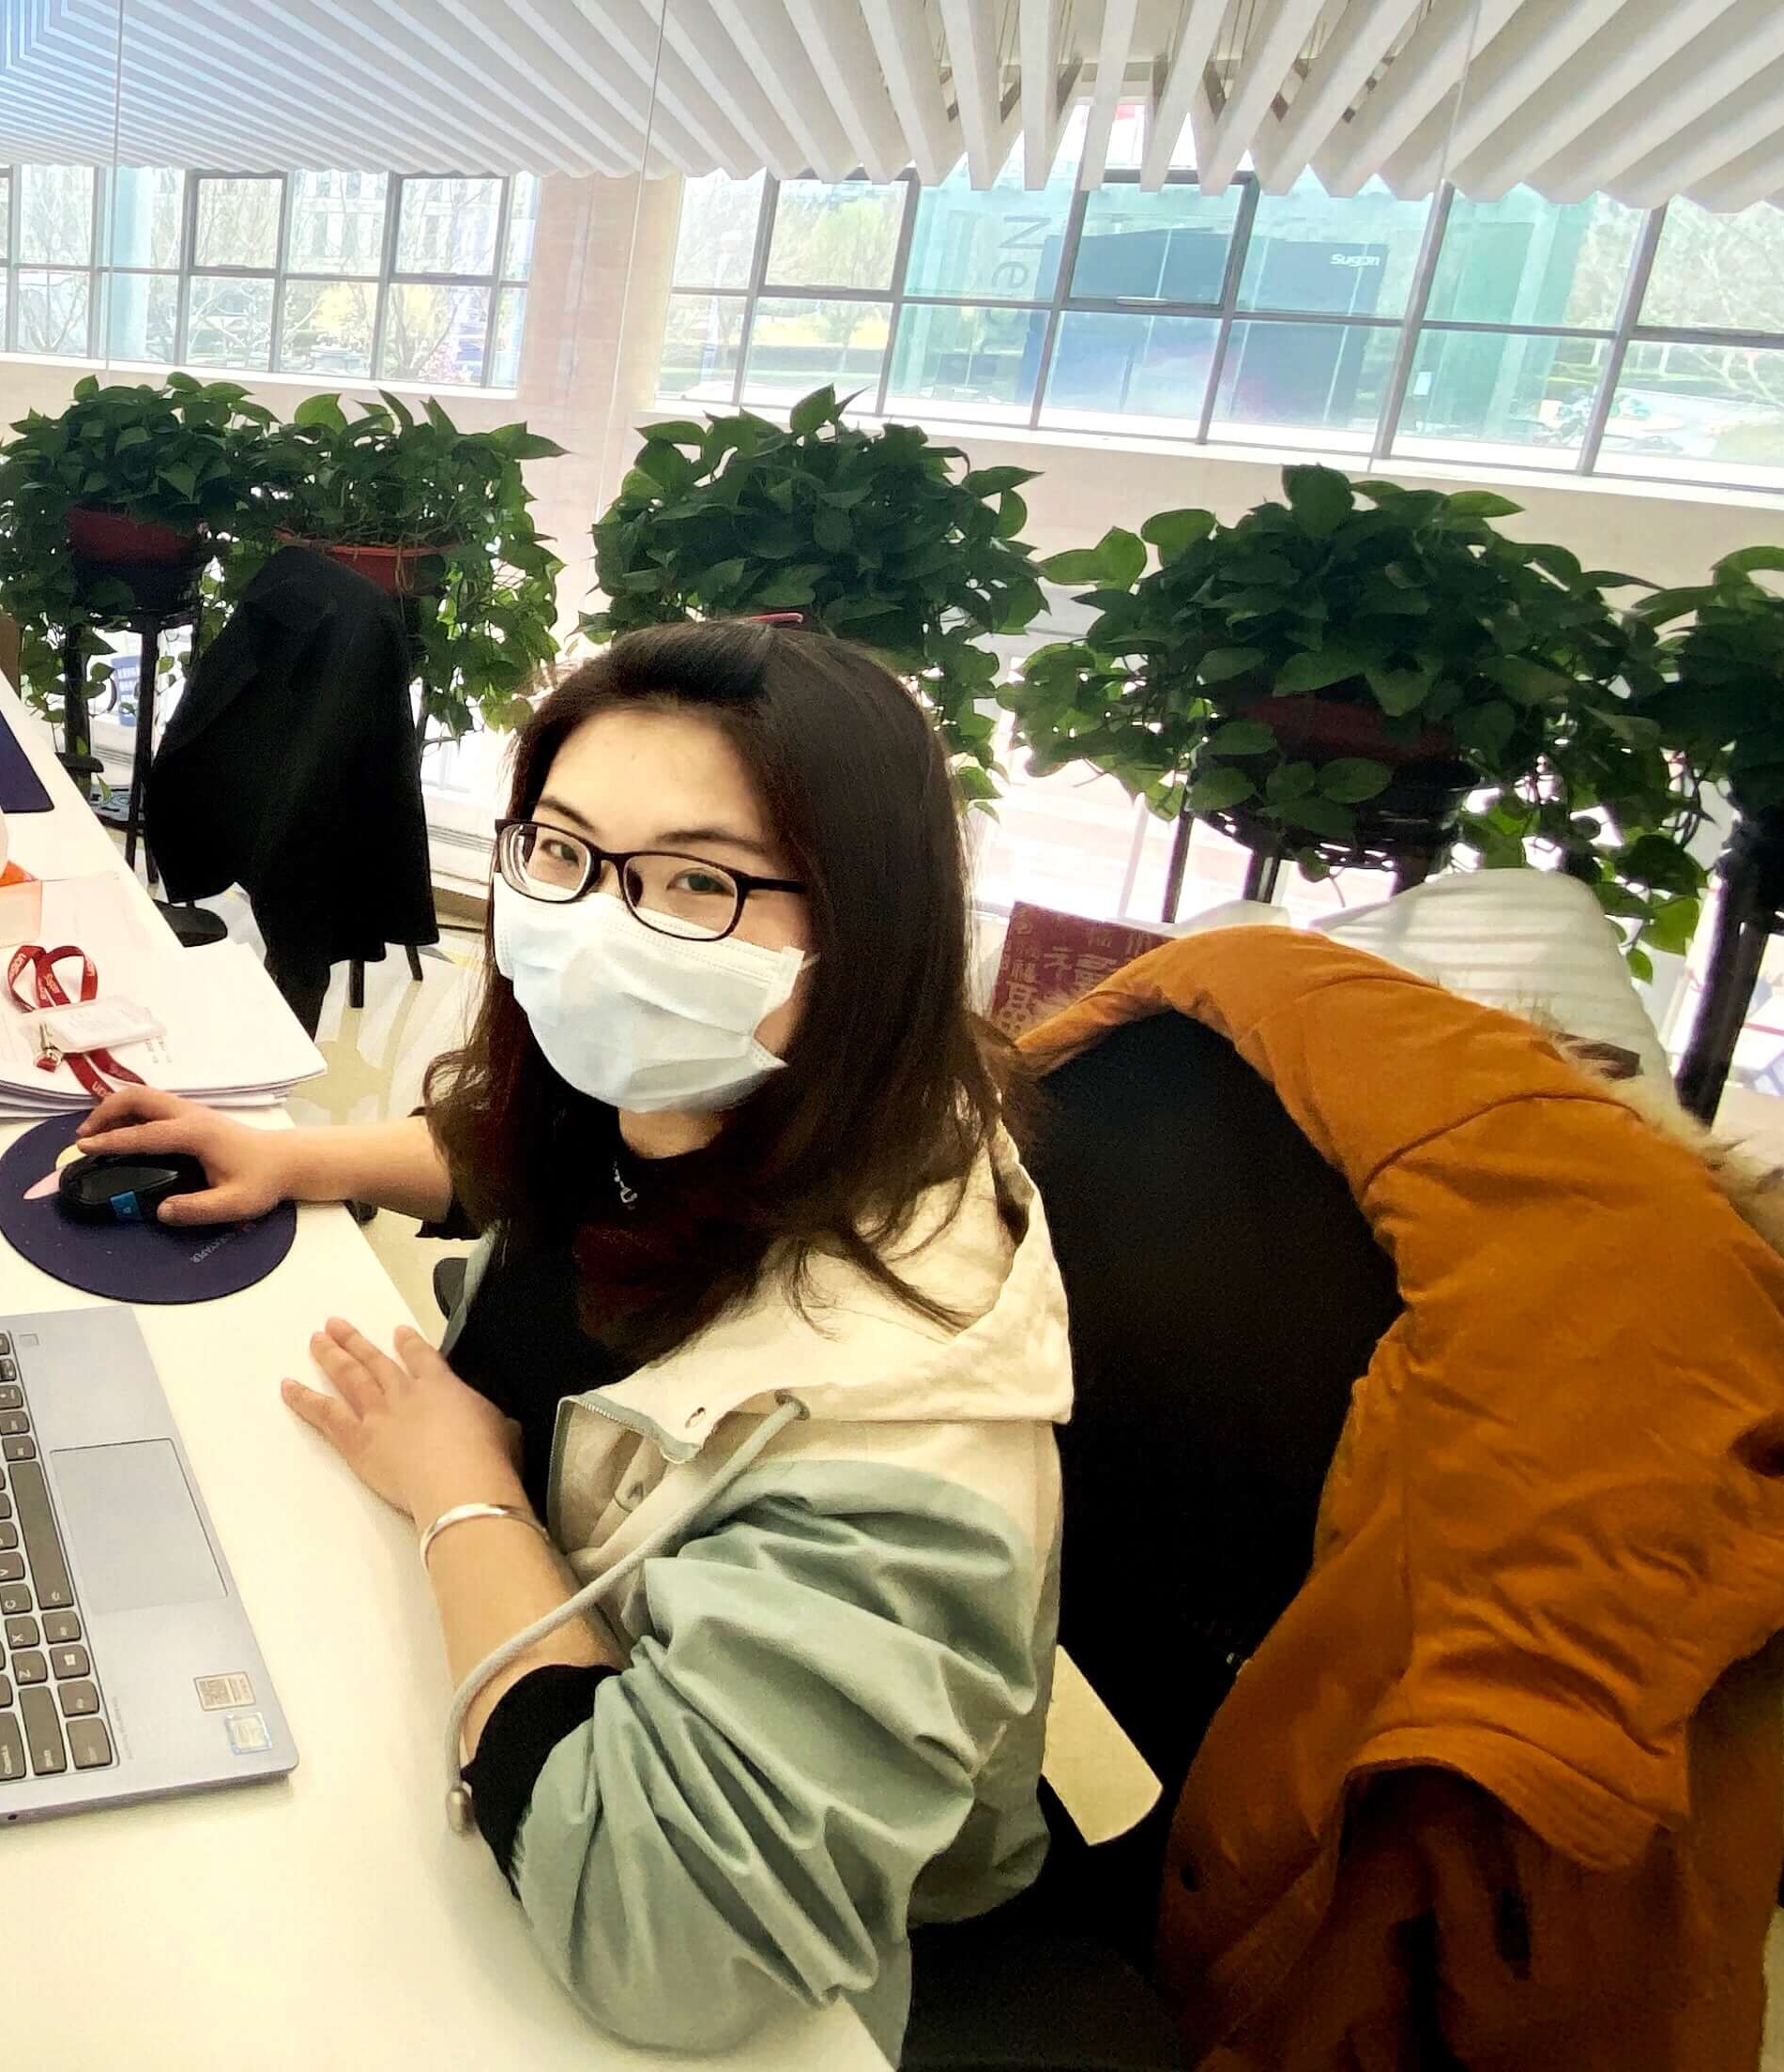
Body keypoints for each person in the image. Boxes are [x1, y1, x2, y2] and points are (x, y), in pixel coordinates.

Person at [76, 620, 1071, 2054]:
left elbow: (666, 1944)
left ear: (869, 924)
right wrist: (303, 1156)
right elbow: (551, 1147)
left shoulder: (901, 1436)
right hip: (479, 1622)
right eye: (562, 852)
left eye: (698, 881)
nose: (601, 928)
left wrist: (460, 1490)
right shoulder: (725, 1094)